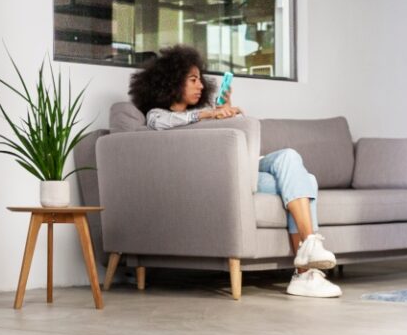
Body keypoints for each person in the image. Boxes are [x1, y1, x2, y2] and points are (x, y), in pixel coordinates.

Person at [127, 44, 341, 299]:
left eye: (200, 80)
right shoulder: (158, 116)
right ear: (172, 82)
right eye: (192, 80)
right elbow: (161, 122)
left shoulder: (204, 114)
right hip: (225, 176)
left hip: (245, 167)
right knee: (305, 181)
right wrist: (209, 115)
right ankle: (305, 271)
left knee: (289, 158)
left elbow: (240, 144)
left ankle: (308, 256)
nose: (200, 86)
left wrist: (226, 112)